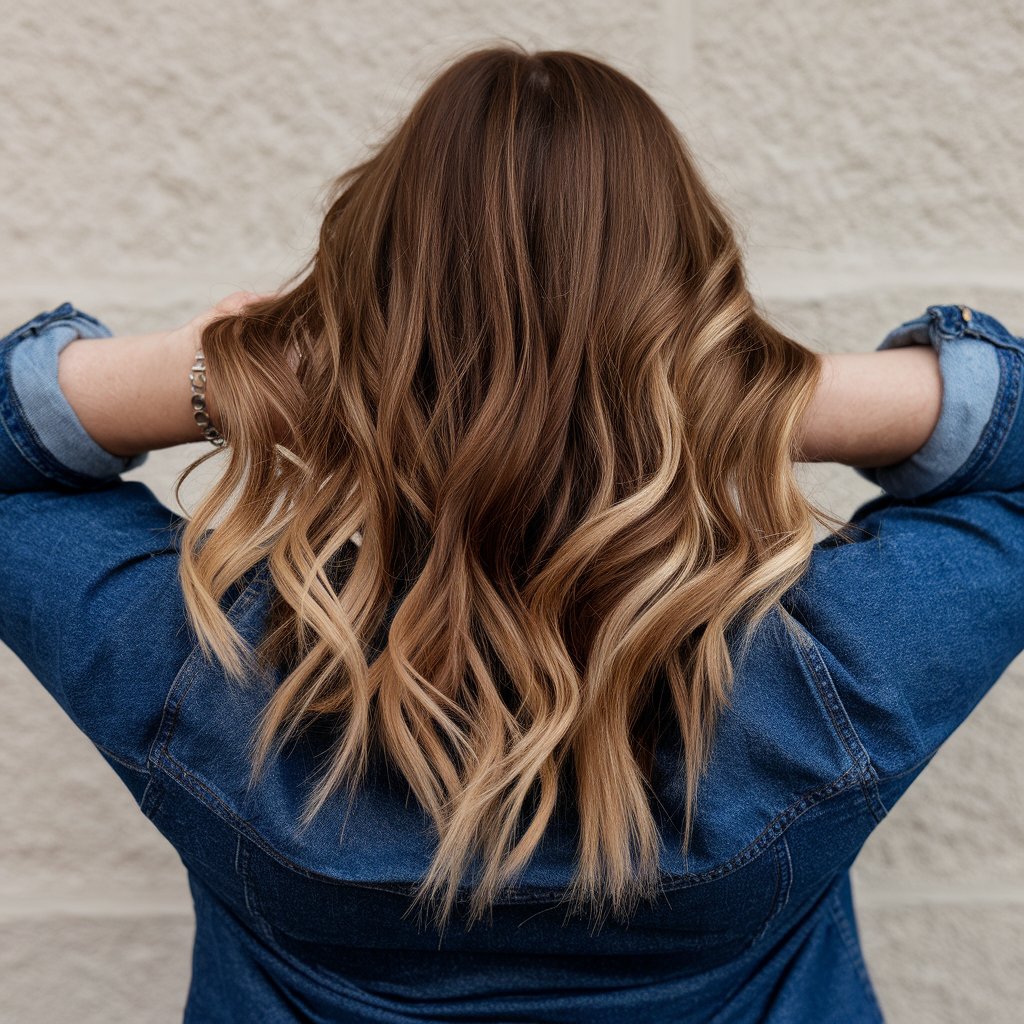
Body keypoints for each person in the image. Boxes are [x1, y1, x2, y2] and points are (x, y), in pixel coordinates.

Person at [2, 43, 1022, 1024]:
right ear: (699, 316)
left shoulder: (213, 677)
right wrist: (746, 400)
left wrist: (228, 376)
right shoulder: (830, 674)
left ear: (349, 335)